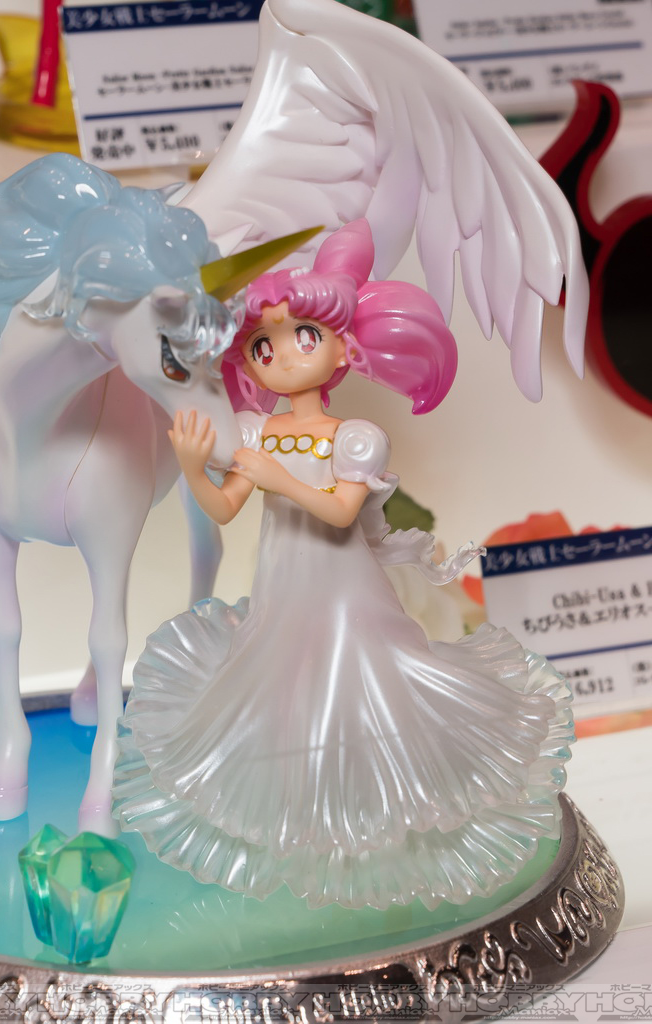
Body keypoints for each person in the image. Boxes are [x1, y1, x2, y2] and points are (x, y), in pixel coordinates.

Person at [112, 220, 573, 910]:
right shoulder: (255, 431)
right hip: (283, 586)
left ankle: (382, 812)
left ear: (344, 350)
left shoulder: (354, 438)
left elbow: (338, 513)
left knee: (364, 685)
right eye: (262, 346)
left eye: (305, 336)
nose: (282, 356)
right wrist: (193, 466)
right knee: (285, 692)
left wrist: (277, 476)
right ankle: (305, 818)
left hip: (345, 588)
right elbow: (226, 508)